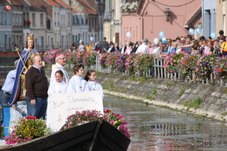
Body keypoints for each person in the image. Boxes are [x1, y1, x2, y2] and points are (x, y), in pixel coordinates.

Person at [9, 33, 39, 105]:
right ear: (27, 43)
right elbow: (21, 63)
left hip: (34, 69)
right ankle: (25, 92)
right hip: (27, 70)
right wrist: (24, 70)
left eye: (32, 42)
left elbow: (38, 60)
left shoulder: (35, 52)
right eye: (29, 42)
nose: (31, 44)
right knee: (25, 77)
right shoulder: (24, 52)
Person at [25, 55, 48, 119]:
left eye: (41, 60)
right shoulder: (31, 72)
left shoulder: (41, 71)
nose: (41, 62)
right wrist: (32, 98)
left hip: (43, 98)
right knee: (32, 118)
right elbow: (28, 86)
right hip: (35, 98)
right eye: (39, 61)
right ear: (34, 62)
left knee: (41, 119)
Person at [0, 60, 18, 124]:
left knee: (12, 113)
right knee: (4, 113)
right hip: (5, 95)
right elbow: (19, 75)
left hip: (13, 96)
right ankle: (3, 128)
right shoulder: (12, 72)